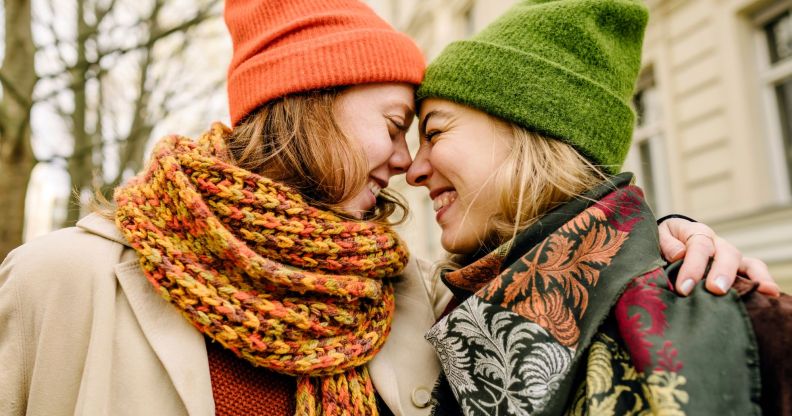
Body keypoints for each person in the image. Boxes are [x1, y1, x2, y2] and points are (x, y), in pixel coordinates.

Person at [0, 1, 779, 416]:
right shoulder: (63, 283)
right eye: (399, 126)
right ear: (307, 105)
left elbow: (568, 269)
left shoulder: (410, 295)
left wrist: (673, 239)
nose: (409, 163)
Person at [406, 0, 791, 414]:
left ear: (529, 132)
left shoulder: (756, 325)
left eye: (435, 132)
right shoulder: (437, 313)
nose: (414, 170)